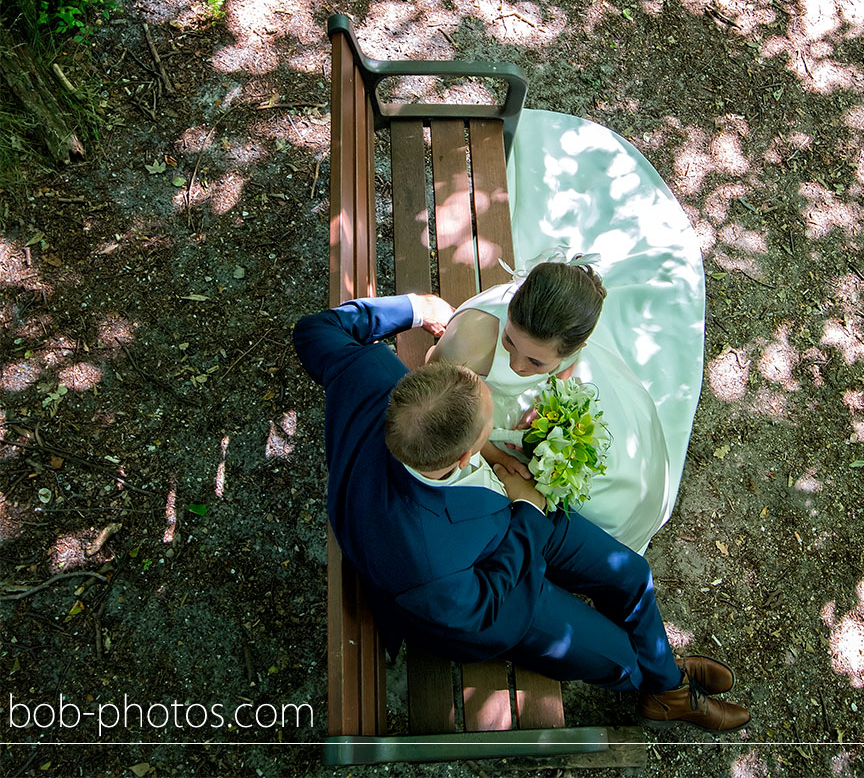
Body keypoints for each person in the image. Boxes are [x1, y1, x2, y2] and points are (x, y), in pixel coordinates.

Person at [293, 292, 750, 732]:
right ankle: (655, 685)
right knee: (619, 659)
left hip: (499, 510)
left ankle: (667, 678)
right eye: (489, 428)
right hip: (495, 588)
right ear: (464, 457)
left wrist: (416, 307)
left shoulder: (367, 369)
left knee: (631, 573)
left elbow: (315, 328)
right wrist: (528, 511)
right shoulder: (425, 565)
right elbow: (482, 611)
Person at [429, 256, 671, 553]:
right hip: (476, 418)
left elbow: (568, 364)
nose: (517, 365)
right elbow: (433, 388)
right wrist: (498, 457)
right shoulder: (468, 343)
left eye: (535, 361)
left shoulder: (570, 347)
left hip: (535, 404)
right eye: (509, 341)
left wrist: (550, 394)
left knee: (619, 482)